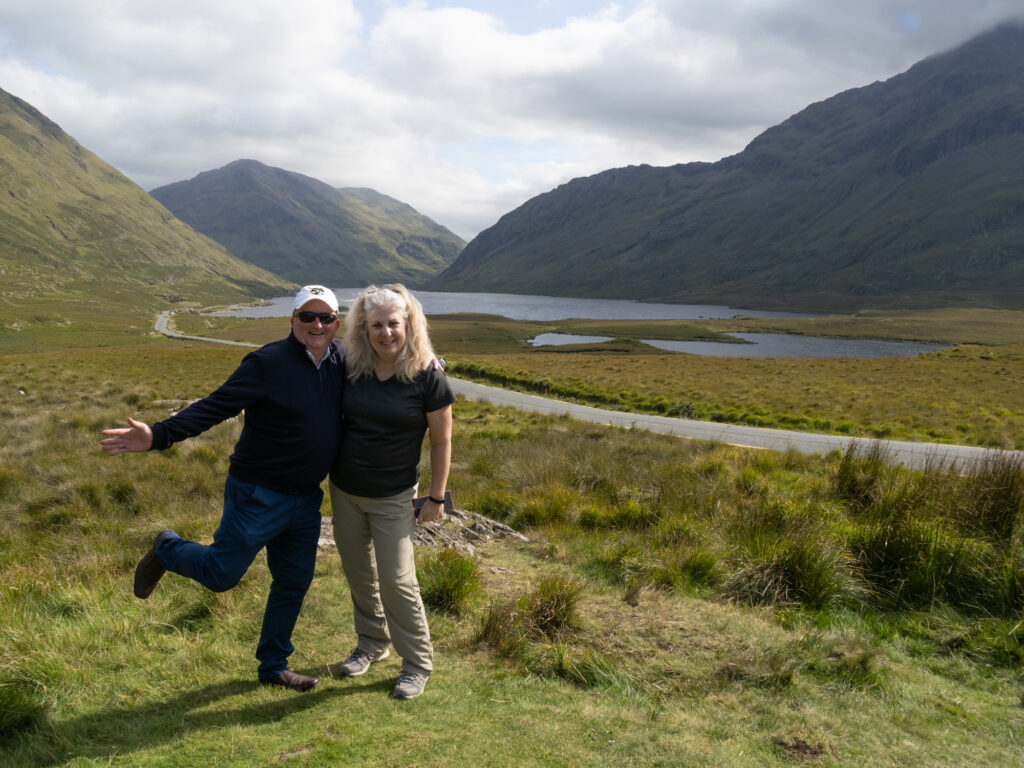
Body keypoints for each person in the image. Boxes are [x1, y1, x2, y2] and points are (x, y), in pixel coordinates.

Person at [100, 285, 345, 693]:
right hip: (257, 493)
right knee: (221, 574)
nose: (317, 325)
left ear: (337, 323)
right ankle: (167, 548)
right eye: (308, 316)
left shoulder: (343, 361)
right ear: (292, 320)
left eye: (326, 318)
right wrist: (158, 436)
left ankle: (273, 666)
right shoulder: (267, 363)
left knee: (293, 582)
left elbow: (387, 367)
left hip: (305, 499)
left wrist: (427, 362)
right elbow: (215, 406)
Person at [329, 284, 455, 700]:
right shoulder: (351, 366)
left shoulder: (428, 376)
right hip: (345, 490)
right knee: (358, 573)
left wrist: (436, 497)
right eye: (376, 325)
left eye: (393, 324)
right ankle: (372, 642)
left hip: (395, 495)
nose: (386, 333)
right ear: (363, 328)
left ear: (408, 324)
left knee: (398, 581)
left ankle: (417, 663)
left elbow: (441, 441)